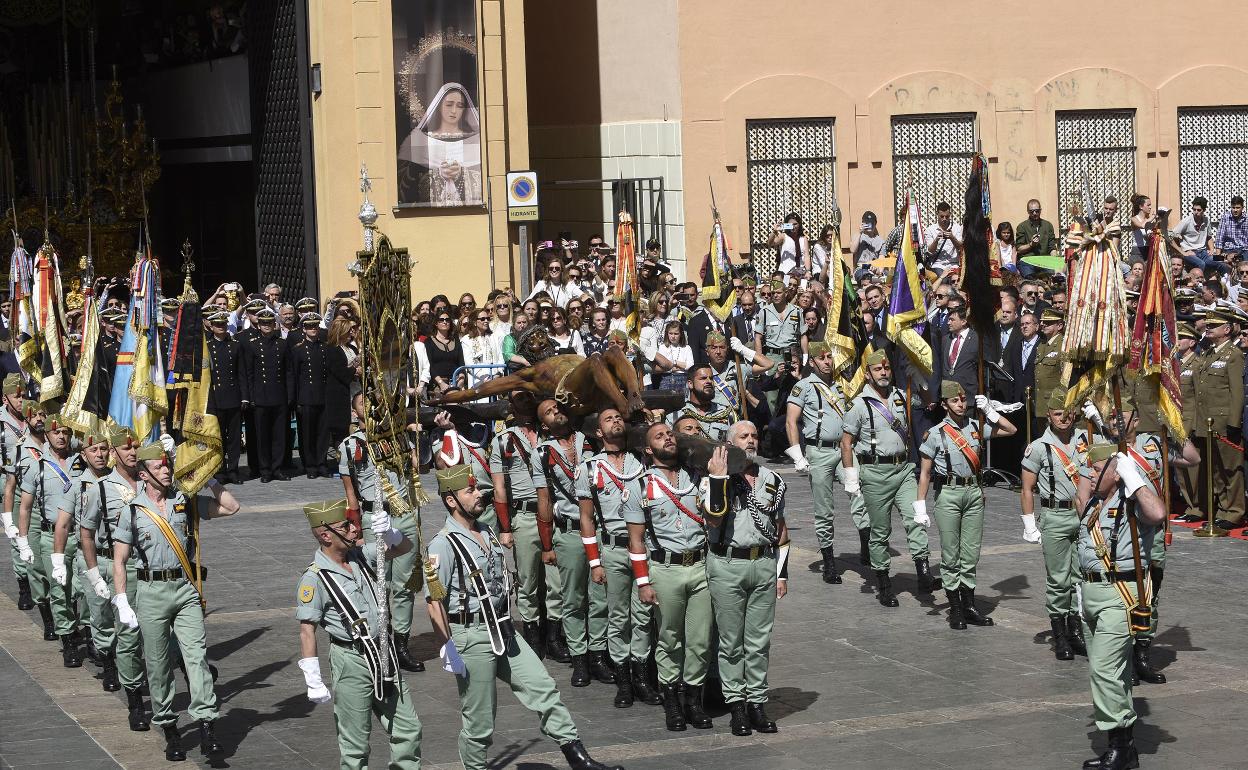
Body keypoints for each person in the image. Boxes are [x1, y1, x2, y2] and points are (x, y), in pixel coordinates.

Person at [426, 466, 623, 770]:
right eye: (470, 491)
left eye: (478, 489)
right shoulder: (443, 544)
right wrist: (445, 647)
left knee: (543, 687)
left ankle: (578, 758)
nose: (480, 494)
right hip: (471, 634)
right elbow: (434, 602)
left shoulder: (485, 530)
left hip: (503, 629)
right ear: (451, 501)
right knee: (479, 718)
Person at [110, 441, 241, 761]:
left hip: (184, 590)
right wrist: (122, 599)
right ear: (143, 474)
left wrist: (208, 478)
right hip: (151, 593)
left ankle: (208, 727)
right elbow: (119, 558)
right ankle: (169, 728)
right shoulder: (133, 511)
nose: (167, 470)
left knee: (196, 657)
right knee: (158, 665)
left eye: (167, 464)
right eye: (159, 467)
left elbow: (230, 507)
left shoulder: (186, 500)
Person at [295, 498, 423, 769]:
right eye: (346, 525)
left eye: (353, 523)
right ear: (326, 535)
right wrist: (313, 678)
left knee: (408, 730)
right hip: (351, 660)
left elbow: (405, 547)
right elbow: (307, 630)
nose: (355, 529)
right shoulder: (314, 578)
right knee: (355, 746)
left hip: (384, 653)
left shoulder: (361, 555)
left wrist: (390, 532)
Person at [1074, 444, 1167, 770]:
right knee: (1115, 674)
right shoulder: (1097, 503)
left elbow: (1158, 514)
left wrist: (1134, 476)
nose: (1091, 474)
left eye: (1098, 469)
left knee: (1104, 671)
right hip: (1091, 592)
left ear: (1116, 473)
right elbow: (1080, 498)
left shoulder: (1132, 501)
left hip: (1119, 595)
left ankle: (1121, 747)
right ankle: (1124, 748)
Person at [626, 422, 720, 732]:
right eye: (659, 436)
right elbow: (636, 539)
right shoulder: (640, 486)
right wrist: (643, 582)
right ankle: (672, 701)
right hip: (665, 569)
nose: (668, 438)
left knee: (700, 639)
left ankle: (693, 700)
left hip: (699, 567)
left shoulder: (696, 479)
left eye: (670, 433)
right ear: (647, 449)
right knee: (669, 638)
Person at [335, 392, 425, 674]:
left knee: (405, 583)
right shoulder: (350, 446)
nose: (369, 407)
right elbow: (350, 495)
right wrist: (356, 531)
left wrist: (414, 437)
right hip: (376, 515)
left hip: (405, 513)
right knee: (378, 584)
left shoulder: (398, 436)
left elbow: (416, 468)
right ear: (355, 413)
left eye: (373, 403)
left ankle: (401, 643)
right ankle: (380, 642)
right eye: (362, 403)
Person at [707, 421, 787, 737]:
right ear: (729, 444)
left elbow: (780, 529)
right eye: (744, 436)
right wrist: (719, 477)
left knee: (759, 640)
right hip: (728, 564)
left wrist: (782, 574)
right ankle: (736, 705)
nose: (751, 440)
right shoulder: (714, 478)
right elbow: (713, 516)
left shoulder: (772, 479)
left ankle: (756, 702)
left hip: (763, 564)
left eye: (754, 435)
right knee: (730, 642)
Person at [575, 408, 659, 709]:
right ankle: (623, 681)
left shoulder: (642, 462)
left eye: (618, 418)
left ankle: (641, 678)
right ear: (598, 432)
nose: (616, 421)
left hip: (644, 547)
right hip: (612, 548)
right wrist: (595, 562)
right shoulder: (589, 468)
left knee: (643, 615)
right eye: (608, 419)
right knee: (617, 615)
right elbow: (586, 519)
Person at [917, 381, 1017, 629]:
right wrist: (920, 504)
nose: (961, 404)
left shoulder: (976, 426)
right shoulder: (936, 433)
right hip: (948, 493)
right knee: (951, 554)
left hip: (973, 492)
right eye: (954, 401)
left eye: (963, 400)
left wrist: (991, 413)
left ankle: (970, 605)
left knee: (971, 553)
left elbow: (1010, 430)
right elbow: (925, 473)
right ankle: (956, 608)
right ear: (944, 404)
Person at [71, 426, 150, 729]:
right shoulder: (99, 489)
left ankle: (140, 680)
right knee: (114, 628)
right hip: (111, 564)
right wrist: (93, 574)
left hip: (146, 570)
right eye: (125, 448)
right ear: (116, 453)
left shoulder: (149, 484)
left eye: (136, 447)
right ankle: (119, 676)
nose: (132, 453)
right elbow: (86, 533)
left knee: (148, 635)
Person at [841, 351, 934, 603]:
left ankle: (923, 571)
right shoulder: (859, 404)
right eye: (877, 370)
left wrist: (921, 381)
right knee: (880, 531)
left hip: (903, 470)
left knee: (916, 519)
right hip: (875, 474)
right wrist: (851, 476)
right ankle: (883, 582)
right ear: (868, 374)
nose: (883, 373)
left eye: (886, 369)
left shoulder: (901, 396)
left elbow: (928, 404)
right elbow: (847, 443)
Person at [533, 398, 610, 686]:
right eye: (549, 412)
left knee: (599, 596)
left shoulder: (590, 439)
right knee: (573, 598)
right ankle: (579, 658)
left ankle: (598, 655)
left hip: (599, 529)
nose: (556, 413)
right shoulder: (541, 453)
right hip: (568, 532)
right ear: (544, 424)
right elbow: (544, 499)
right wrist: (547, 545)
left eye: (558, 408)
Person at [488, 392, 567, 661]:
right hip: (524, 515)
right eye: (518, 398)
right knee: (528, 581)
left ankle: (553, 636)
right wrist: (505, 527)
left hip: (554, 513)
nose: (524, 401)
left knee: (555, 581)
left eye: (528, 396)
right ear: (510, 405)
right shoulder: (502, 441)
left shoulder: (551, 434)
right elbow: (499, 487)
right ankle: (533, 635)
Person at [784, 342, 868, 583]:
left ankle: (865, 544)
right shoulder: (803, 386)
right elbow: (792, 421)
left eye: (830, 357)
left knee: (859, 492)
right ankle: (829, 561)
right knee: (824, 509)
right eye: (822, 358)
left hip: (844, 450)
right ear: (812, 362)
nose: (827, 361)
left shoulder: (842, 385)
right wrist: (797, 454)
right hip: (819, 451)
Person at [1020, 389, 1088, 660]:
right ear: (1048, 415)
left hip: (1082, 515)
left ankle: (1076, 631)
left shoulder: (1085, 438)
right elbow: (1026, 488)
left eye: (1068, 413)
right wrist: (1029, 523)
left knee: (1079, 577)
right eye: (1058, 414)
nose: (1064, 419)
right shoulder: (1038, 447)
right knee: (1058, 580)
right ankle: (1060, 635)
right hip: (1056, 517)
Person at [16, 407, 83, 666]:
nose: (61, 437)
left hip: (80, 535)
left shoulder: (81, 463)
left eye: (66, 432)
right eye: (56, 432)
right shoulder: (37, 467)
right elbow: (25, 506)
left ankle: (83, 627)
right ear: (47, 434)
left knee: (82, 587)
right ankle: (67, 639)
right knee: (59, 589)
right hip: (50, 536)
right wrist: (23, 540)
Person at [1193, 308, 1245, 530]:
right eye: (1208, 325)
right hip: (1207, 421)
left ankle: (1234, 511)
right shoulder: (1208, 354)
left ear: (1226, 329)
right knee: (1215, 469)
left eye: (1214, 325)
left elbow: (1237, 392)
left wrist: (1233, 422)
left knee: (1230, 469)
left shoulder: (1233, 355)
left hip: (1224, 422)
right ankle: (1222, 509)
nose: (1209, 328)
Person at [398, 82, 482, 206]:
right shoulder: (418, 140)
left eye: (460, 106)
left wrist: (461, 174)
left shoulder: (475, 140)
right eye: (449, 105)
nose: (454, 110)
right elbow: (404, 183)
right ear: (438, 106)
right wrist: (438, 174)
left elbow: (485, 179)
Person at [241, 307, 290, 482]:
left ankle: (277, 468)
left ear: (274, 323)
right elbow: (249, 373)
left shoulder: (282, 344)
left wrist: (289, 397)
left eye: (269, 322)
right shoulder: (253, 345)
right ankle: (265, 471)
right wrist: (250, 397)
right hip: (260, 397)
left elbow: (288, 372)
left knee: (279, 436)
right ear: (259, 325)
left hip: (279, 395)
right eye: (263, 323)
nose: (266, 325)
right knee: (262, 437)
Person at [0, 374, 32, 610]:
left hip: (34, 482)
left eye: (23, 395)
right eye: (16, 396)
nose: (21, 400)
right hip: (9, 481)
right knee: (16, 533)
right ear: (5, 399)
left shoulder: (35, 417)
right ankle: (24, 585)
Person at [288, 312, 331, 478]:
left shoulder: (324, 348)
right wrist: (295, 400)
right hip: (306, 397)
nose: (313, 329)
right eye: (309, 327)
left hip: (323, 396)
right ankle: (310, 465)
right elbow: (295, 376)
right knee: (307, 433)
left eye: (315, 326)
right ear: (303, 329)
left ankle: (322, 463)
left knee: (322, 433)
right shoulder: (298, 350)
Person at [205, 312, 244, 483]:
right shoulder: (207, 346)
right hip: (215, 398)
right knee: (217, 436)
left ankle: (233, 469)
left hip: (233, 396)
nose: (220, 327)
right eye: (217, 324)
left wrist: (244, 397)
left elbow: (241, 373)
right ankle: (219, 469)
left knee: (234, 437)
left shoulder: (235, 346)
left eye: (223, 324)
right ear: (211, 326)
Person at [754, 281, 802, 415]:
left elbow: (802, 336)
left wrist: (804, 357)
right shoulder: (764, 312)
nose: (775, 295)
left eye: (778, 292)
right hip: (772, 356)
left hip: (791, 355)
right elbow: (758, 337)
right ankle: (772, 426)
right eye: (772, 293)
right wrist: (760, 359)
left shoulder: (796, 311)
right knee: (772, 396)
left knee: (792, 392)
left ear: (786, 293)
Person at [668, 364, 737, 442]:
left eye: (711, 378)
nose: (709, 382)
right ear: (690, 384)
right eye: (703, 378)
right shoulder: (675, 416)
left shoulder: (727, 413)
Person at [1170, 196, 1222, 275]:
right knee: (1201, 264)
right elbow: (1170, 237)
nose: (1196, 212)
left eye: (1199, 210)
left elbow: (1209, 237)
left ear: (1204, 210)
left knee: (1221, 259)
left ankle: (1224, 282)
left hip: (1203, 252)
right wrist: (1183, 252)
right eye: (1194, 209)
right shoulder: (1186, 221)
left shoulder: (1206, 220)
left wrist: (1212, 250)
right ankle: (1199, 284)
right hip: (1190, 253)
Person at [1015, 199, 1059, 273]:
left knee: (1055, 272)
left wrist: (1055, 261)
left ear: (1040, 210)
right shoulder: (1022, 226)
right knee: (1029, 275)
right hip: (1028, 260)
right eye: (1032, 211)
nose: (1035, 213)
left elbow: (1052, 248)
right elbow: (1019, 249)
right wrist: (1031, 244)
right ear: (1028, 212)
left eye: (1037, 211)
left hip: (1044, 260)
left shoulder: (1048, 225)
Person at [653, 321, 693, 391]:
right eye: (670, 333)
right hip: (666, 379)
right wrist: (681, 367)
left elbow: (690, 366)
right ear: (667, 333)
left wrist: (674, 363)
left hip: (683, 379)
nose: (673, 336)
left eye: (676, 334)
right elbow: (660, 367)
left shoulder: (686, 348)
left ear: (681, 334)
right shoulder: (663, 347)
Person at [924, 202, 963, 271]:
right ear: (937, 215)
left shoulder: (957, 228)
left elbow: (961, 248)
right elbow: (930, 251)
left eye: (947, 217)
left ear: (950, 215)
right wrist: (936, 240)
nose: (944, 219)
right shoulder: (930, 230)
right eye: (942, 216)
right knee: (943, 279)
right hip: (938, 264)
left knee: (955, 280)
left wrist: (952, 238)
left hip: (954, 264)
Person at [1213, 195, 1248, 261]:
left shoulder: (1246, 218)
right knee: (1218, 262)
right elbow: (1219, 237)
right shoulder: (1225, 217)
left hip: (1244, 249)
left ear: (1242, 208)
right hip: (1228, 249)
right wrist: (1218, 257)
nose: (1235, 210)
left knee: (1244, 266)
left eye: (1238, 208)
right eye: (1233, 207)